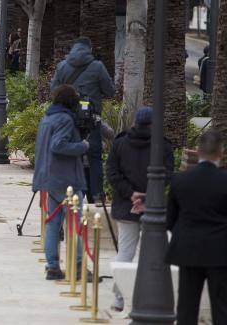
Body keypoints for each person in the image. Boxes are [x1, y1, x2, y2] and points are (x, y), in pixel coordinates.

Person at [105, 107, 174, 312]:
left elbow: (112, 172)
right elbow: (167, 173)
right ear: (153, 124)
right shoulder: (162, 145)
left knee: (125, 251)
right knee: (154, 252)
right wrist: (146, 196)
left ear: (135, 122)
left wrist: (130, 194)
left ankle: (119, 298)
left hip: (126, 205)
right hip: (153, 206)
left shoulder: (120, 142)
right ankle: (152, 295)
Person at [166, 130, 227, 325]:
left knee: (186, 307)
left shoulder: (180, 180)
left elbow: (170, 219)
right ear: (221, 153)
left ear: (198, 151)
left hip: (188, 250)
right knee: (222, 308)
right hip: (220, 252)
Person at [31, 84, 89, 281]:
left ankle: (53, 266)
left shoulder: (48, 117)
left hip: (49, 179)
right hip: (66, 180)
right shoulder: (65, 119)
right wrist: (82, 146)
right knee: (75, 225)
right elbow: (58, 145)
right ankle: (79, 267)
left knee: (53, 225)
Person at [50, 36, 115, 202]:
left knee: (72, 156)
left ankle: (72, 196)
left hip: (68, 120)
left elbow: (53, 91)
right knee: (94, 158)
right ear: (90, 49)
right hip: (91, 120)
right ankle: (97, 196)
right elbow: (110, 91)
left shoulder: (62, 66)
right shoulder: (98, 67)